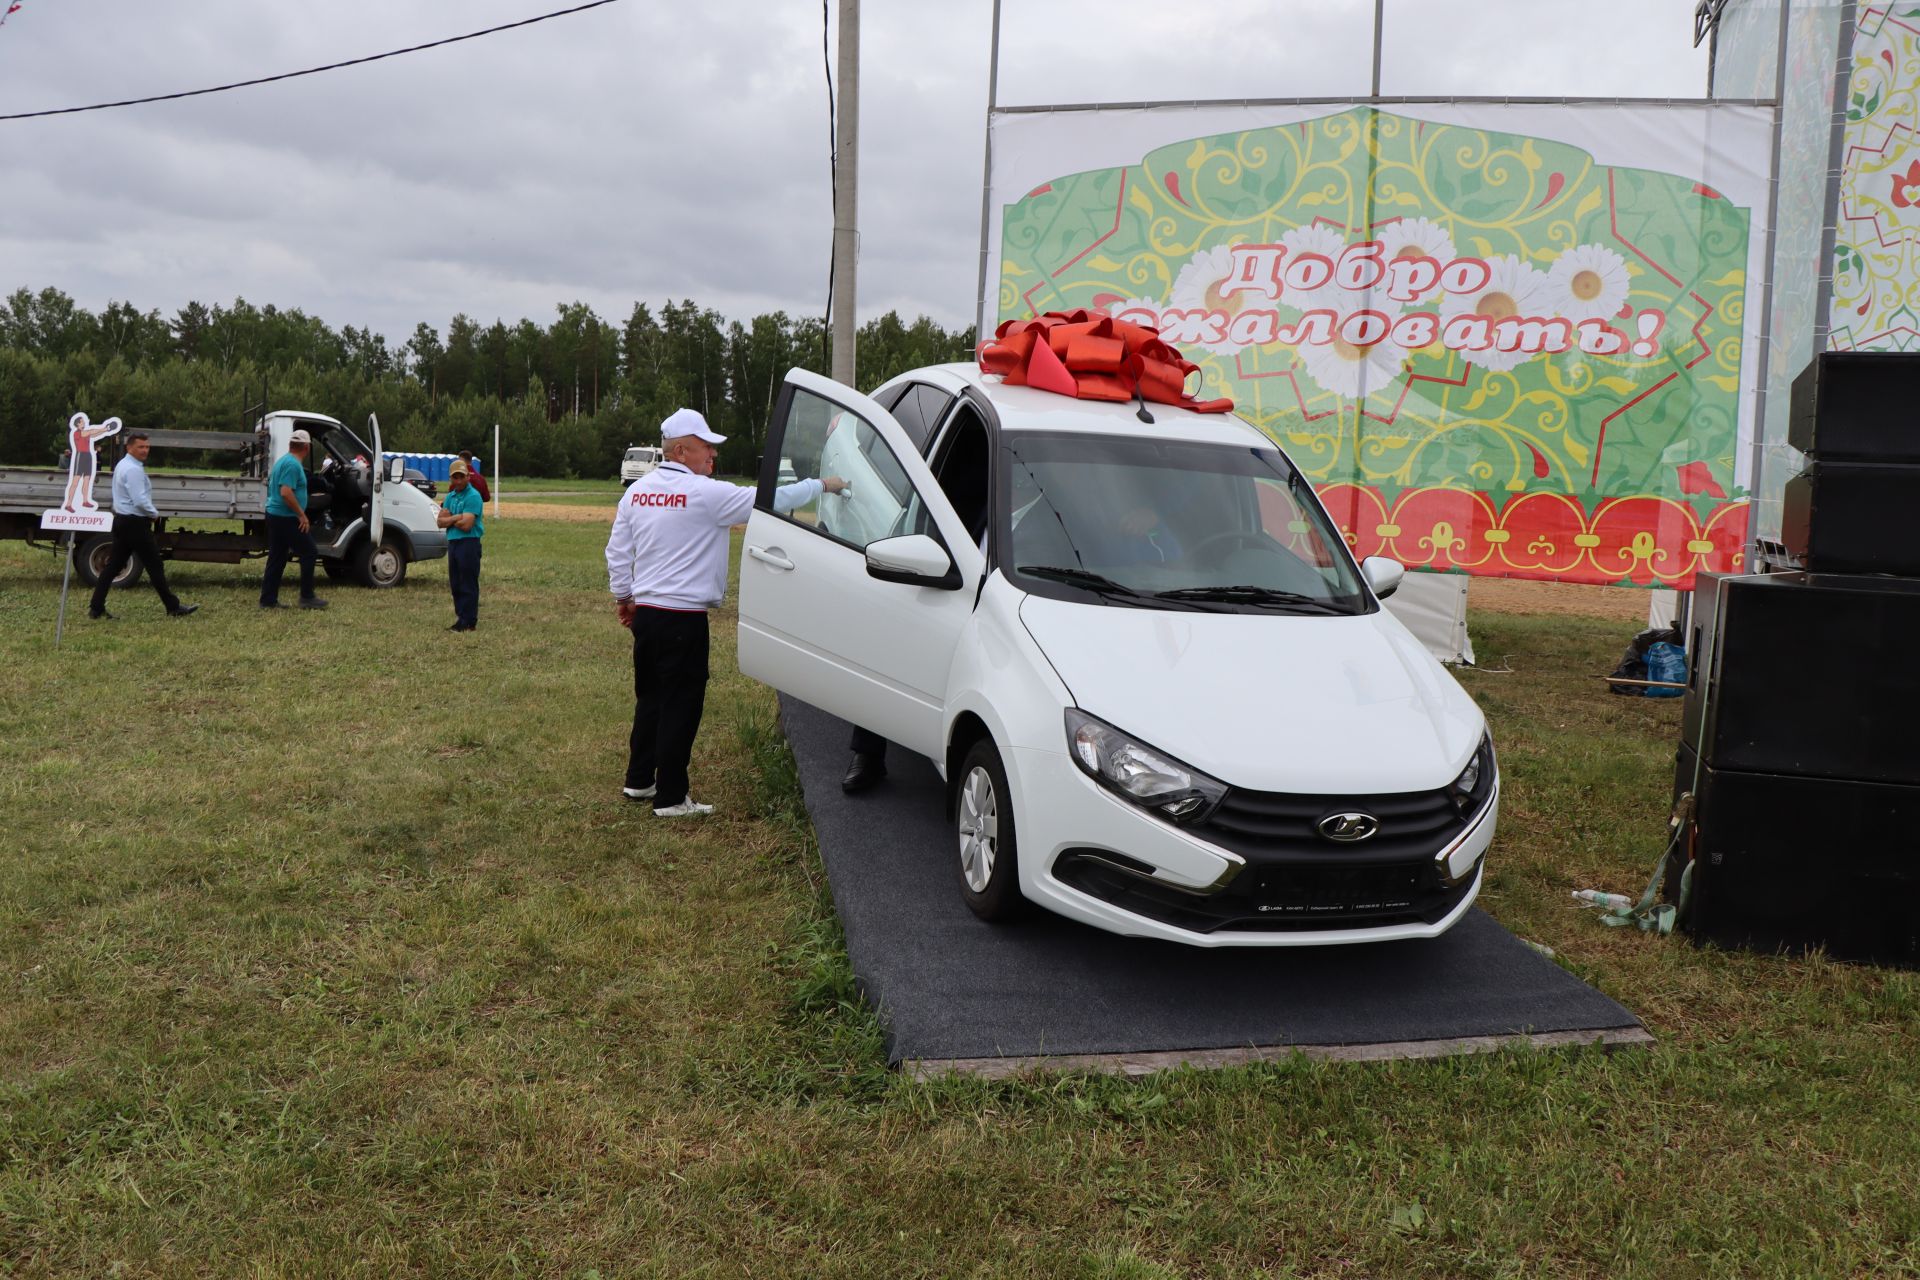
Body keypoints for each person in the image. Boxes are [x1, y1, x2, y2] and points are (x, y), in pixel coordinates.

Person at [605, 407, 846, 818]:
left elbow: (617, 550)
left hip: (648, 614)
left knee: (650, 698)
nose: (712, 457)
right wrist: (823, 484)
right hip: (683, 619)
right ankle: (671, 798)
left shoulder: (637, 492)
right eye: (705, 449)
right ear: (681, 451)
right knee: (682, 703)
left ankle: (640, 779)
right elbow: (771, 496)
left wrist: (624, 597)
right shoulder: (705, 494)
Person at [88, 429, 198, 620]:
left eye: (147, 447)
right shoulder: (133, 469)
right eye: (140, 447)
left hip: (123, 520)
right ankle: (173, 607)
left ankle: (96, 608)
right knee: (154, 564)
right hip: (134, 523)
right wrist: (154, 514)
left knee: (113, 566)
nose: (145, 450)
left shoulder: (123, 465)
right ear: (129, 447)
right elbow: (139, 500)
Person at [259, 428, 328, 610]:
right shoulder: (292, 465)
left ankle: (268, 600)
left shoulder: (283, 461)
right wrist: (301, 514)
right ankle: (307, 597)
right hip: (286, 517)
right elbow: (285, 492)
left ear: (291, 445)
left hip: (276, 515)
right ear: (306, 447)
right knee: (309, 552)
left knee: (277, 557)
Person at [438, 457, 484, 632]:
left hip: (469, 543)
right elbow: (439, 522)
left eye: (461, 477)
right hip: (453, 543)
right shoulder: (450, 496)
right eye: (454, 477)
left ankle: (469, 621)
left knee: (468, 582)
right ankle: (460, 617)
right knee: (456, 583)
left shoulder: (473, 496)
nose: (458, 481)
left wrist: (451, 518)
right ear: (451, 478)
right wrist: (458, 517)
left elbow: (467, 525)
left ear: (467, 477)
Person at [63, 412, 120, 512]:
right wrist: (105, 428)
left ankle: (85, 501)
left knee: (87, 480)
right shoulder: (77, 432)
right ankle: (68, 504)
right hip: (80, 456)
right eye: (82, 422)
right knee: (75, 481)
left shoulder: (85, 433)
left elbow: (95, 433)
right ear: (77, 424)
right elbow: (90, 432)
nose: (84, 423)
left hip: (87, 456)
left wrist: (106, 430)